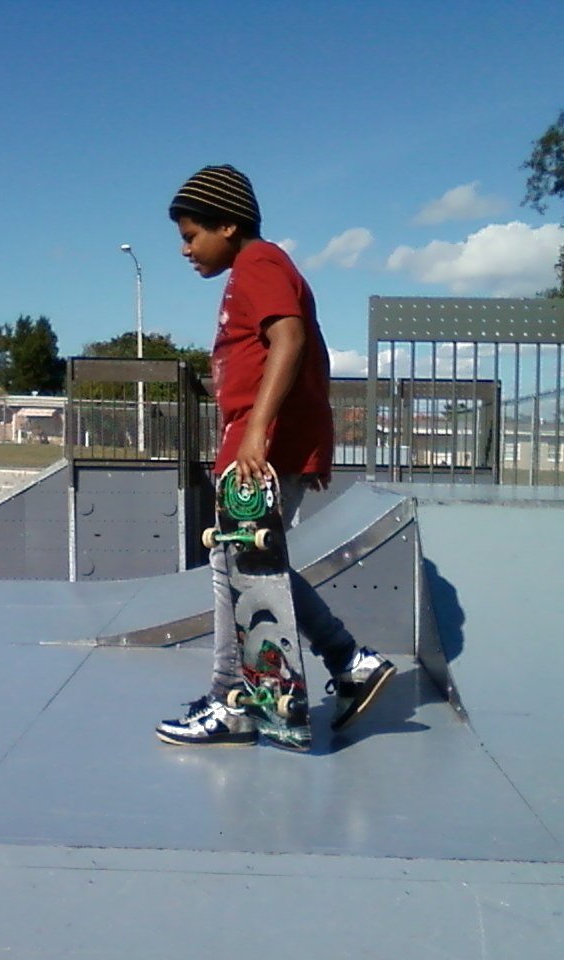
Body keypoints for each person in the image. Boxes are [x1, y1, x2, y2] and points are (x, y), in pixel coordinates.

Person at [155, 164, 396, 747]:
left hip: (257, 443)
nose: (185, 250)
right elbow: (309, 353)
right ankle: (349, 661)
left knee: (233, 572)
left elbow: (289, 338)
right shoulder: (260, 268)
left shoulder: (258, 263)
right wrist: (309, 444)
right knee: (255, 567)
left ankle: (229, 700)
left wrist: (260, 433)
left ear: (229, 226)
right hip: (271, 438)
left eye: (191, 236)